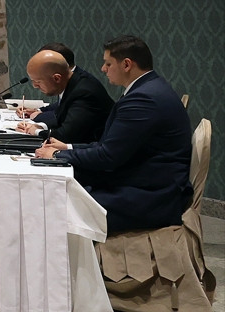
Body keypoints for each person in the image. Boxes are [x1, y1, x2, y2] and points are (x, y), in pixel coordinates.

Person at [35, 36, 193, 235]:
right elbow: (110, 146)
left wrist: (57, 155)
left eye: (108, 63)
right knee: (60, 192)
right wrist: (67, 148)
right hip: (144, 180)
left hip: (151, 195)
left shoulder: (143, 99)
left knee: (56, 205)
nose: (103, 69)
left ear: (126, 64)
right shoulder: (147, 88)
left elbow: (108, 156)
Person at [12, 43, 112, 145]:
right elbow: (63, 120)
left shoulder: (83, 93)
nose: (35, 86)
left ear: (57, 78)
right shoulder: (73, 83)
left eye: (38, 81)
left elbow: (66, 137)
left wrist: (36, 132)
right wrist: (40, 127)